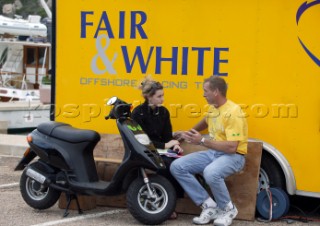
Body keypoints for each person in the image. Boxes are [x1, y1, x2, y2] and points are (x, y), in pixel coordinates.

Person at [170, 76, 248, 226]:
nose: (203, 94)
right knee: (177, 166)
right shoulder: (213, 108)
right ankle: (209, 206)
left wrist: (202, 141)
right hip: (214, 154)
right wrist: (187, 133)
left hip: (234, 157)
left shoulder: (233, 112)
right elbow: (205, 122)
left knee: (211, 172)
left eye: (206, 91)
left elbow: (232, 147)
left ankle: (228, 209)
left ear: (216, 92)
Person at [131, 77, 184, 219]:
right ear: (148, 97)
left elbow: (167, 136)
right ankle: (165, 206)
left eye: (163, 95)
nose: (162, 99)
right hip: (143, 151)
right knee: (165, 164)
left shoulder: (164, 112)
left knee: (177, 164)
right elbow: (141, 140)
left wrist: (175, 145)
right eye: (159, 96)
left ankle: (172, 202)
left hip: (161, 151)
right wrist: (166, 145)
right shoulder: (137, 113)